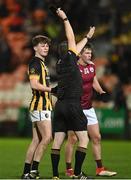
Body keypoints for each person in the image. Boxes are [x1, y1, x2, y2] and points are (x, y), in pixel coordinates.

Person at [51, 8, 95, 179]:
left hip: (60, 106)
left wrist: (88, 37)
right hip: (72, 105)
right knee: (83, 140)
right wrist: (65, 18)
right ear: (71, 52)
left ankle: (55, 175)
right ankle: (78, 174)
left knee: (57, 141)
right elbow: (71, 38)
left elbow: (75, 45)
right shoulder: (71, 59)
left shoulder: (61, 62)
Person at [65, 43, 117, 177]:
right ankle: (69, 169)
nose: (89, 55)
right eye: (86, 53)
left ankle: (100, 169)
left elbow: (93, 80)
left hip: (88, 106)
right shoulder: (73, 67)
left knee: (96, 137)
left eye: (90, 53)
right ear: (80, 54)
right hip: (76, 107)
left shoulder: (92, 66)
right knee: (72, 139)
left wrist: (100, 91)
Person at [21, 35, 55, 179]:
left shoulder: (41, 63)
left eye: (47, 45)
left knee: (37, 140)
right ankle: (33, 170)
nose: (45, 48)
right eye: (42, 45)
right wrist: (52, 90)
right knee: (47, 137)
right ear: (35, 48)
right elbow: (34, 85)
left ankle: (26, 172)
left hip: (42, 105)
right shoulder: (35, 63)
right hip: (40, 105)